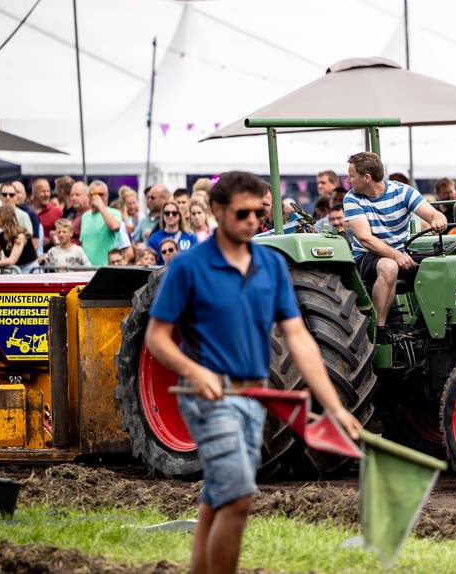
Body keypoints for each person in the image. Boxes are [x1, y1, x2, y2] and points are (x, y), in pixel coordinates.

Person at [145, 171, 361, 574]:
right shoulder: (189, 267)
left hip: (255, 397)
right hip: (208, 397)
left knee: (218, 496)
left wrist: (334, 407)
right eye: (241, 212)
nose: (251, 220)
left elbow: (299, 339)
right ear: (217, 210)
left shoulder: (271, 266)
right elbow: (157, 338)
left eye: (257, 211)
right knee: (239, 498)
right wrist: (195, 370)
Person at [343, 151, 447, 342]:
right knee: (389, 266)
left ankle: (434, 325)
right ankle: (380, 330)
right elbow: (365, 239)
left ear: (367, 177)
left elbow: (434, 215)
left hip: (401, 252)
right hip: (367, 256)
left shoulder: (402, 191)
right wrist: (396, 256)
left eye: (351, 176)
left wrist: (439, 220)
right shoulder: (352, 199)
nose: (348, 180)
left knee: (441, 266)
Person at [79, 181, 131, 266]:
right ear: (88, 196)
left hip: (106, 269)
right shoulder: (85, 216)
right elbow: (83, 243)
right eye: (93, 194)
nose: (96, 197)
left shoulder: (114, 212)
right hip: (88, 269)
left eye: (100, 194)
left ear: (107, 196)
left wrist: (100, 205)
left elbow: (115, 226)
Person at [0, 205, 38, 273]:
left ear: (4, 218)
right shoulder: (1, 236)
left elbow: (12, 260)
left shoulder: (20, 236)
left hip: (30, 270)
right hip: (16, 270)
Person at [31, 178, 61, 249]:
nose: (46, 194)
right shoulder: (27, 213)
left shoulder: (57, 212)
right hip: (30, 256)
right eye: (43, 191)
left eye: (48, 191)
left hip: (51, 256)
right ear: (34, 193)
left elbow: (65, 235)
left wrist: (50, 240)